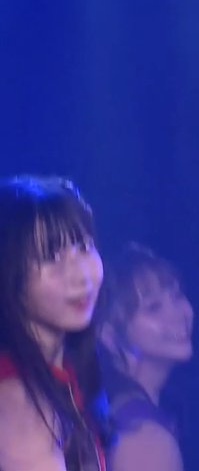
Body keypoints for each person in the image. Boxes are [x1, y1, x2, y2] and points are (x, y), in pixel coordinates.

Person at [0, 175, 107, 471]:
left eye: (85, 247)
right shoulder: (19, 399)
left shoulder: (63, 375)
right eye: (52, 257)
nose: (81, 276)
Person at [95, 243, 193, 471]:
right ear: (110, 336)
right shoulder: (144, 436)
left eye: (177, 295)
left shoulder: (119, 413)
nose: (179, 314)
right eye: (154, 307)